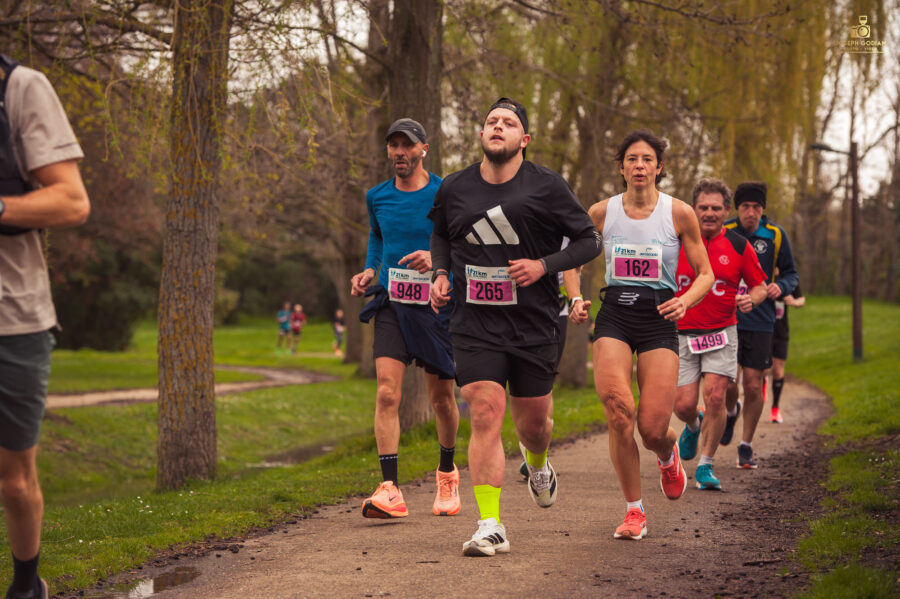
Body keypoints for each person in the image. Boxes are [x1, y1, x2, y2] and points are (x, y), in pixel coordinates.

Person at [429, 97, 601, 556]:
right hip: (474, 320)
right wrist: (440, 275)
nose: (497, 127)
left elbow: (589, 240)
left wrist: (544, 266)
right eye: (491, 122)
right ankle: (490, 525)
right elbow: (442, 235)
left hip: (534, 322)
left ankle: (539, 464)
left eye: (508, 123)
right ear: (482, 135)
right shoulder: (455, 187)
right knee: (484, 410)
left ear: (524, 139)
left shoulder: (547, 186)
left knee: (535, 424)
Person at [567, 129, 713, 540]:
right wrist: (575, 298)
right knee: (618, 411)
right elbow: (572, 260)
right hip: (614, 313)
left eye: (647, 159)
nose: (639, 166)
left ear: (659, 167)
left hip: (659, 316)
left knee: (651, 428)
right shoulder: (601, 211)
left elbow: (706, 273)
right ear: (621, 167)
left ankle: (667, 455)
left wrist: (685, 300)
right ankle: (634, 510)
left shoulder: (679, 213)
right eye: (632, 159)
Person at [0, 54, 90, 599]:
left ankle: (27, 584)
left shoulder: (20, 89)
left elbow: (71, 199)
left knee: (13, 480)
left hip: (13, 316)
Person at [351, 117, 461, 519]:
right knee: (386, 392)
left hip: (436, 305)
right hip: (392, 302)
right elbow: (378, 235)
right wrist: (370, 270)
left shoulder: (444, 192)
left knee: (441, 398)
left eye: (407, 145)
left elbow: (460, 240)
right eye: (393, 145)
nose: (399, 152)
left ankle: (447, 474)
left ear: (423, 150)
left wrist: (436, 261)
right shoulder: (376, 196)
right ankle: (389, 488)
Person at [671, 179, 767, 491]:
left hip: (722, 332)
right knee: (683, 405)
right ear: (693, 209)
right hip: (682, 333)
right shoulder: (676, 241)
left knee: (715, 396)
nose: (709, 213)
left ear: (726, 211)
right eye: (703, 208)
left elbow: (760, 285)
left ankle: (705, 465)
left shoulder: (739, 244)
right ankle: (692, 424)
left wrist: (751, 298)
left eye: (716, 208)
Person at [722, 182, 798, 468]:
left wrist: (780, 285)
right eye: (745, 207)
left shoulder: (776, 235)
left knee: (754, 384)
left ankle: (746, 445)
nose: (751, 212)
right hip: (727, 318)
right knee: (729, 381)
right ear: (737, 209)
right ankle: (731, 412)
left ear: (762, 209)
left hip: (762, 321)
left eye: (756, 207)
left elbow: (792, 273)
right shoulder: (724, 232)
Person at [769, 284, 805, 423]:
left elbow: (801, 299)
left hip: (781, 331)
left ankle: (775, 408)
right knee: (763, 369)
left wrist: (794, 301)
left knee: (778, 371)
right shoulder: (764, 272)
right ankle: (763, 383)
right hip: (763, 329)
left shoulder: (787, 277)